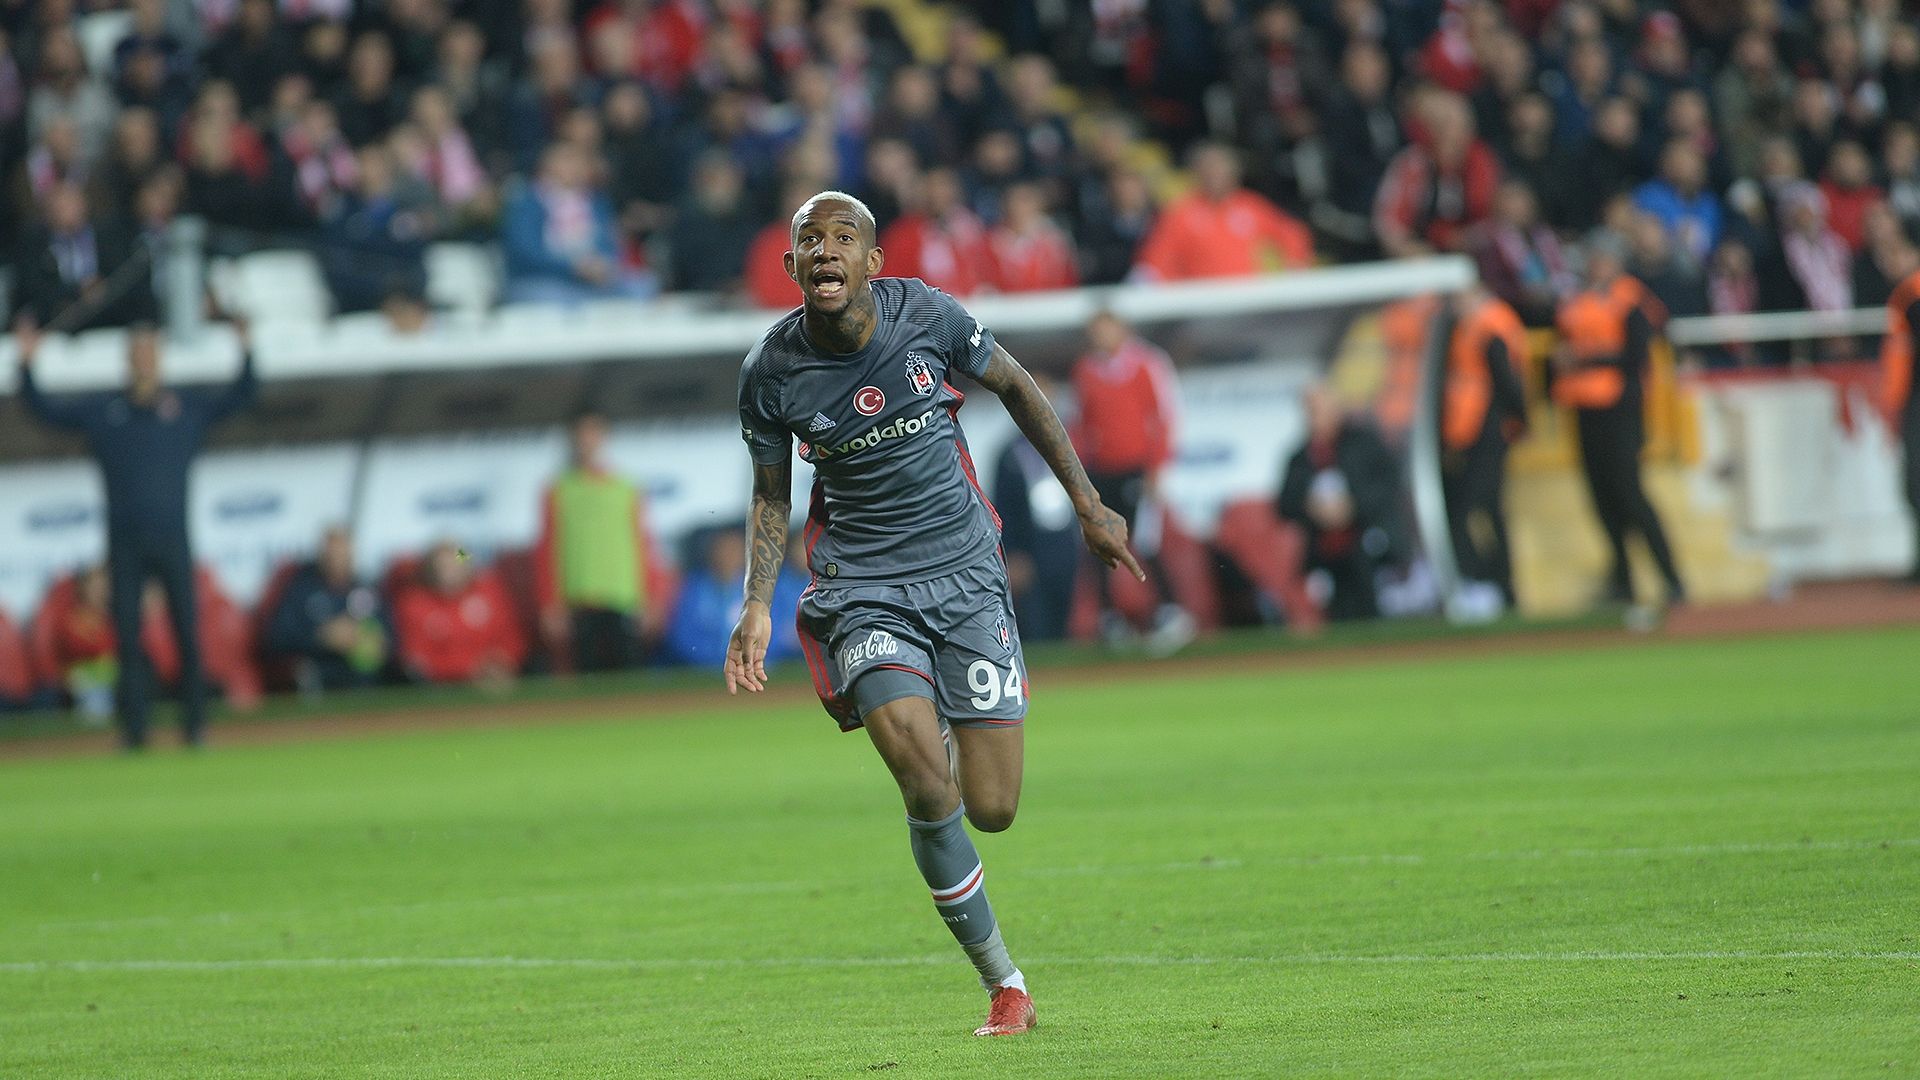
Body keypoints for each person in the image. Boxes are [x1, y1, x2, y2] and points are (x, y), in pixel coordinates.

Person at [726, 191, 1142, 1038]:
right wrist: (756, 605)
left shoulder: (931, 317)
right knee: (922, 776)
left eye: (845, 238)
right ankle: (1007, 986)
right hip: (861, 588)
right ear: (792, 266)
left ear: (875, 262)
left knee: (991, 807)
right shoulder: (770, 373)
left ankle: (941, 715)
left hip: (965, 573)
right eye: (811, 241)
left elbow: (1019, 388)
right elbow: (772, 495)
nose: (827, 250)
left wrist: (1089, 504)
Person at [14, 320, 257, 749]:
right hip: (123, 543)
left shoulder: (183, 410)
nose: (144, 362)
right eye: (137, 354)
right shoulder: (107, 413)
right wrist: (28, 364)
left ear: (160, 360)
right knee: (125, 639)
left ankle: (195, 728)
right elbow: (46, 412)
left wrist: (247, 348)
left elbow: (240, 397)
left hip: (173, 539)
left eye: (151, 354)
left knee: (187, 632)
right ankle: (135, 731)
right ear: (128, 361)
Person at [1552, 235, 1687, 607]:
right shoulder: (1575, 300)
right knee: (1600, 497)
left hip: (1621, 409)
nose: (1595, 265)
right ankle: (1622, 580)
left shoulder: (1630, 299)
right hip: (1584, 408)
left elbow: (1636, 357)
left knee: (1630, 493)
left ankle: (1672, 578)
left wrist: (1584, 361)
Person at [1070, 311, 1196, 653]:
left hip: (1138, 469)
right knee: (1101, 541)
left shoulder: (1146, 363)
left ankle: (1171, 613)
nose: (1101, 338)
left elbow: (1165, 415)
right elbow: (1082, 423)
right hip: (1102, 471)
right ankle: (1111, 619)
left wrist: (1157, 468)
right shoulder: (1086, 370)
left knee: (1146, 540)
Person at [534, 410, 654, 673]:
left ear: (603, 436)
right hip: (579, 600)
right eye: (581, 434)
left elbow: (643, 544)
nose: (587, 440)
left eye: (593, 432)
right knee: (587, 682)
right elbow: (547, 550)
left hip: (623, 598)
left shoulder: (626, 487)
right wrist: (550, 603)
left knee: (630, 679)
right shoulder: (558, 489)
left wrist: (649, 597)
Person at [1277, 386, 1410, 621]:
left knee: (1373, 611)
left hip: (1369, 542)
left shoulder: (1363, 443)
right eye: (1310, 410)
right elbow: (1284, 504)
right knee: (1334, 615)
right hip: (1324, 550)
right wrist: (1311, 508)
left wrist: (1353, 506)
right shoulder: (1300, 457)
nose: (1314, 416)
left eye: (1319, 409)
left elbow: (1390, 484)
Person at [1441, 287, 1531, 609]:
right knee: (1482, 510)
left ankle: (1494, 584)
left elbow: (1506, 380)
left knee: (1475, 509)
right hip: (1468, 432)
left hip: (1486, 432)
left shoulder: (1488, 327)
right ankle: (1497, 585)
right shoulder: (1470, 326)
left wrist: (1520, 421)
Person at [1131, 142, 1313, 281]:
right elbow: (1157, 259)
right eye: (1208, 168)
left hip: (1248, 296)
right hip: (1204, 301)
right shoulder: (1180, 212)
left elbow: (1290, 232)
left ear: (1234, 171)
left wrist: (1294, 264)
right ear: (1196, 172)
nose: (1214, 174)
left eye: (1219, 167)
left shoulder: (1251, 205)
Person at [990, 372, 1081, 643]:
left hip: (1065, 544)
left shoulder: (1071, 443)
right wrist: (1013, 554)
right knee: (1036, 625)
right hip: (1032, 550)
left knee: (1065, 620)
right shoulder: (1010, 454)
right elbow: (1002, 506)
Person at [264, 526, 393, 693]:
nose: (337, 561)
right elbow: (277, 638)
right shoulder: (301, 589)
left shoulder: (367, 589)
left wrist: (367, 638)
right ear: (321, 555)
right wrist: (322, 636)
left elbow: (391, 638)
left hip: (365, 676)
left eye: (342, 554)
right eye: (331, 555)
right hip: (320, 673)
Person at [662, 528, 803, 669]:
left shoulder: (762, 589)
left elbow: (774, 632)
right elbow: (682, 636)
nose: (728, 556)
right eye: (723, 549)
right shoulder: (694, 589)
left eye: (734, 550)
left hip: (758, 668)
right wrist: (717, 658)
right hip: (702, 672)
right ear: (712, 553)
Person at [394, 541, 527, 687]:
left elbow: (511, 636)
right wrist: (470, 668)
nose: (450, 571)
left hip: (496, 683)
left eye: (456, 563)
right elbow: (416, 660)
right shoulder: (415, 604)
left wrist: (503, 661)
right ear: (430, 570)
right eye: (443, 566)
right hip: (440, 690)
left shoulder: (489, 592)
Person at [1879, 244, 1920, 582]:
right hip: (1912, 401)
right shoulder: (1906, 295)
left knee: (1916, 485)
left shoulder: (1910, 294)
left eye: (1896, 253)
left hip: (1915, 401)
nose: (1890, 261)